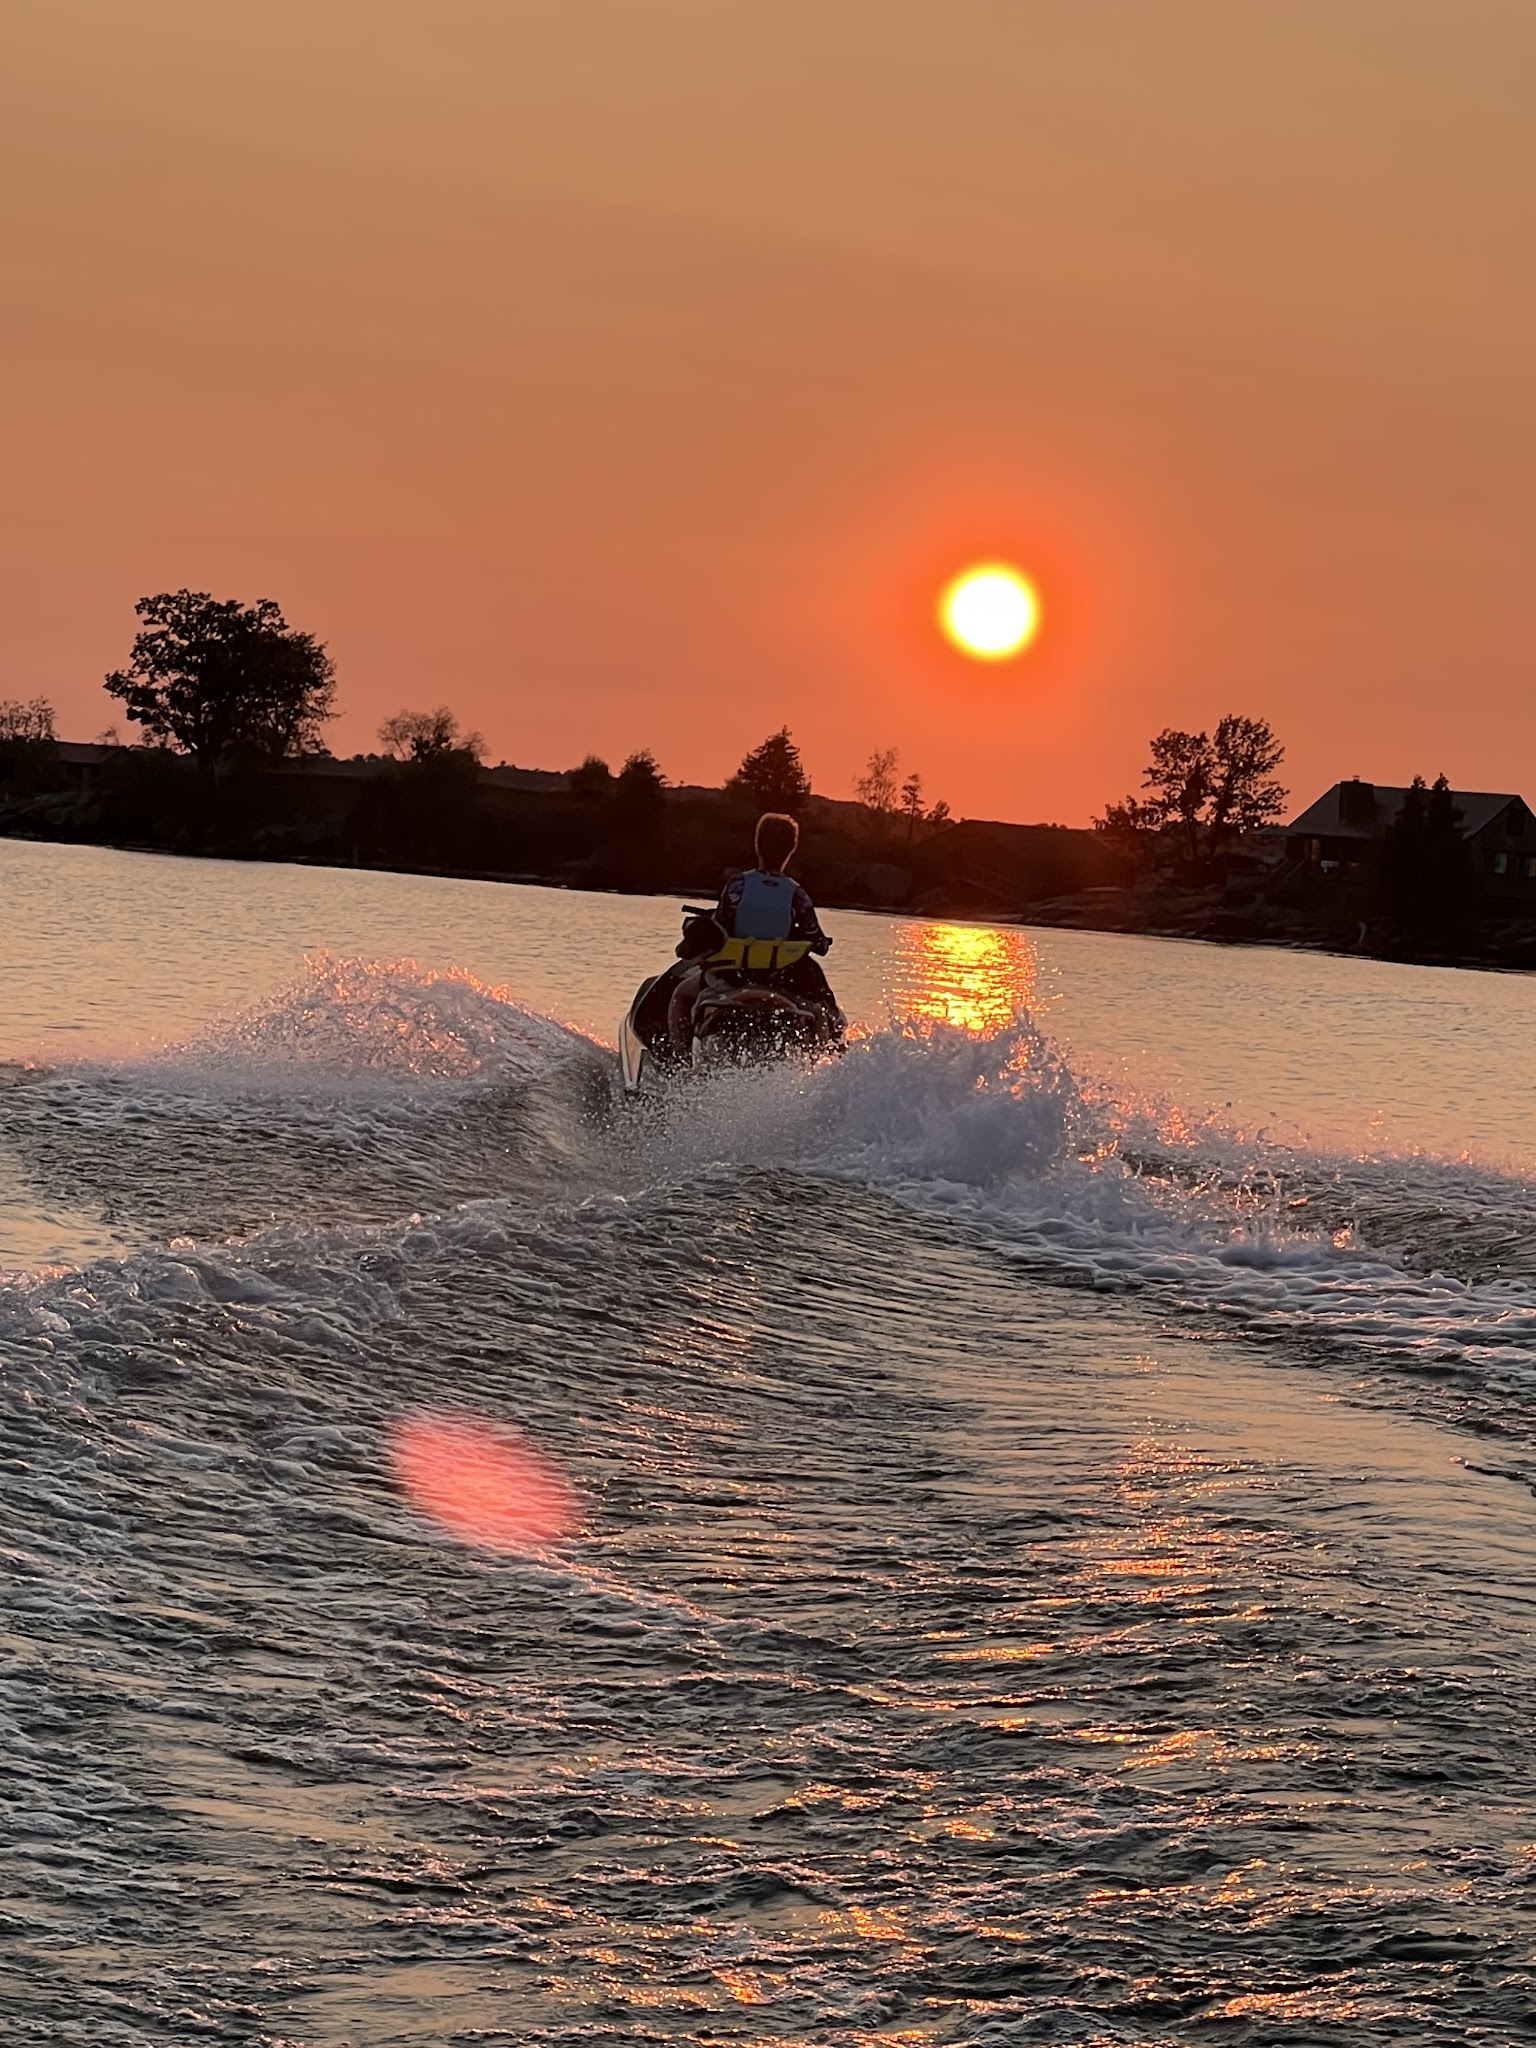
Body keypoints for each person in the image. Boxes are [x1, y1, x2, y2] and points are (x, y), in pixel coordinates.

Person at [668, 812, 832, 1053]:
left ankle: (680, 1065)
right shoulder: (798, 895)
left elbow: (721, 926)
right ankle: (827, 1062)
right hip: (781, 981)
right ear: (792, 849)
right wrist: (819, 942)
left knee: (680, 996)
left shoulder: (737, 885)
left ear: (757, 844)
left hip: (731, 978)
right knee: (821, 1013)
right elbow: (816, 938)